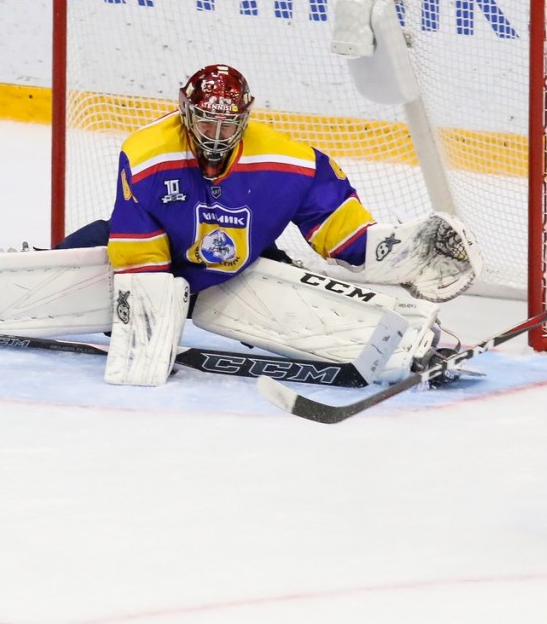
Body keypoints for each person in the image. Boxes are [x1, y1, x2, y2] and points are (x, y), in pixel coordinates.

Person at [60, 64, 483, 387]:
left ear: (247, 116)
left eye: (228, 124)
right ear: (185, 111)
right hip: (158, 260)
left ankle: (421, 339)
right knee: (61, 265)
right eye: (206, 122)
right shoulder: (146, 153)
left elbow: (343, 233)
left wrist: (398, 254)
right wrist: (152, 318)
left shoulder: (290, 163)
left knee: (308, 311)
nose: (216, 134)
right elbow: (136, 244)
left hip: (241, 269)